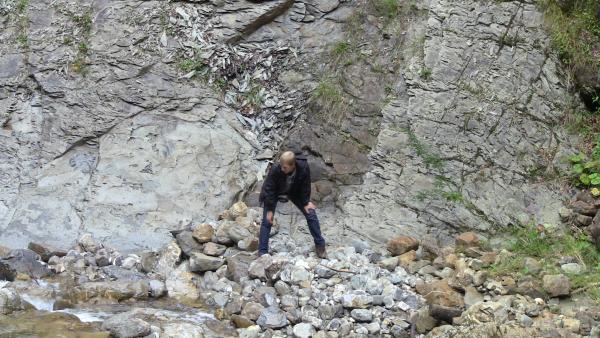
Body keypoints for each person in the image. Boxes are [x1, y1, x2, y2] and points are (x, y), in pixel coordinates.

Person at [258, 150, 327, 258]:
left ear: (293, 165)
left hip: (294, 192)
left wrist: (305, 202)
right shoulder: (276, 168)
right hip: (275, 192)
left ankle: (320, 247)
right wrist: (270, 210)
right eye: (281, 166)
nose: (282, 169)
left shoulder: (303, 167)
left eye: (284, 167)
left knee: (311, 214)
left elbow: (306, 185)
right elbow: (269, 189)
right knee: (267, 220)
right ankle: (262, 253)